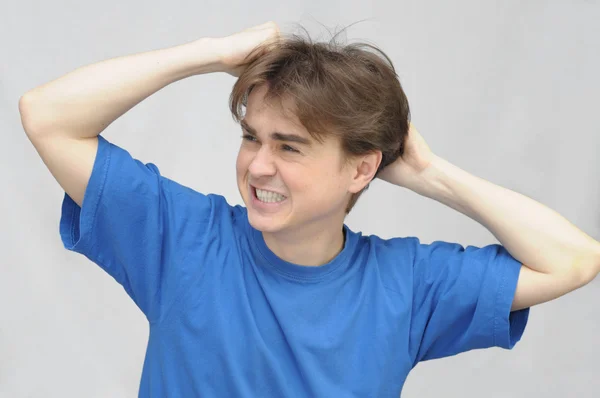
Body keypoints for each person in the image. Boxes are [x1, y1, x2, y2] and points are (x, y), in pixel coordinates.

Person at [19, 21, 600, 397]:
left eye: (289, 147)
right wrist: (208, 55)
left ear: (361, 168)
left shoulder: (409, 284)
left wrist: (433, 176)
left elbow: (573, 260)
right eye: (252, 137)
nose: (258, 165)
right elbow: (47, 118)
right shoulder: (184, 240)